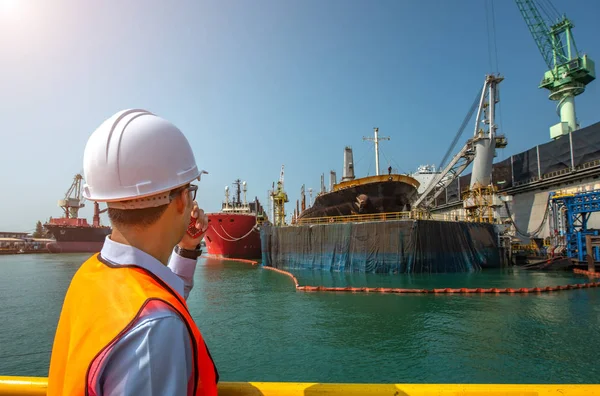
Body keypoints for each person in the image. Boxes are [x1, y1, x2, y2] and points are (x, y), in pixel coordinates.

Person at [47, 109, 219, 395]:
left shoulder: (90, 275)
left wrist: (187, 250)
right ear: (183, 199)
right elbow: (151, 314)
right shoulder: (155, 331)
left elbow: (148, 296)